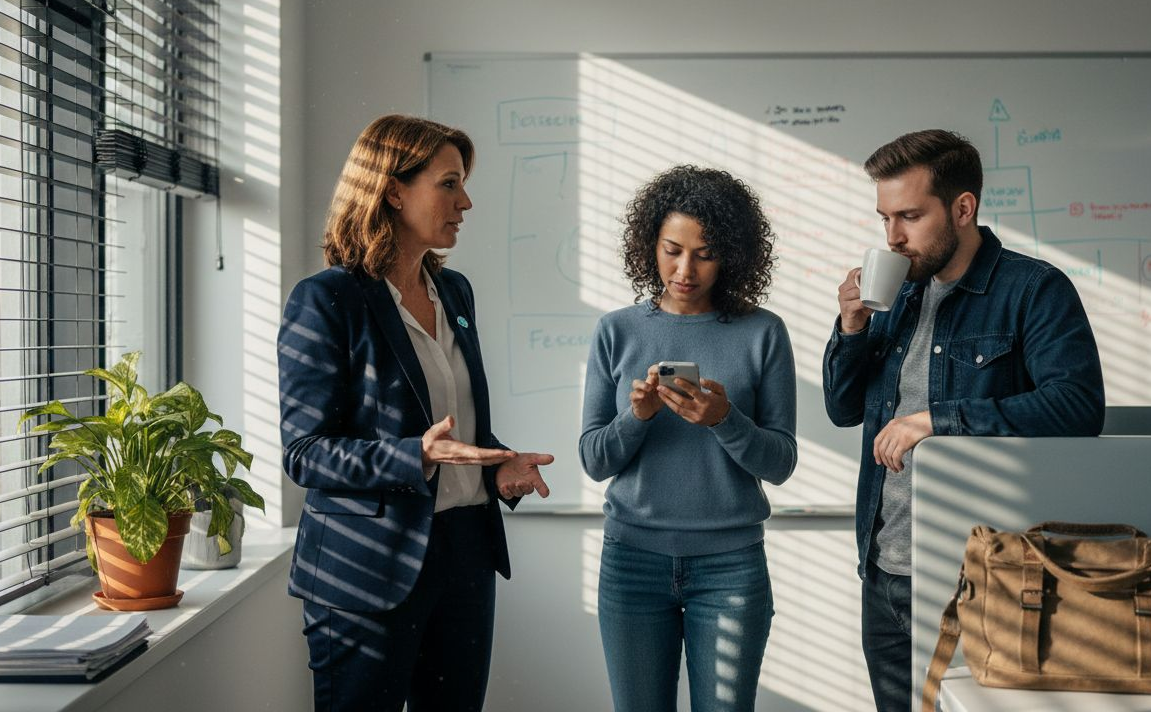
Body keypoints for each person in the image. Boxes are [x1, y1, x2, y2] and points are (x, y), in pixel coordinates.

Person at [278, 114, 555, 711]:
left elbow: (451, 422)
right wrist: (416, 456)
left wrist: (496, 464)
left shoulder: (454, 293)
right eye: (449, 183)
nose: (466, 201)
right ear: (393, 189)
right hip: (365, 569)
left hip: (464, 555)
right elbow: (304, 452)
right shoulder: (328, 300)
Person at [822, 129, 1105, 711]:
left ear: (963, 208)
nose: (893, 238)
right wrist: (850, 327)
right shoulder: (897, 293)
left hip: (985, 579)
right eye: (884, 219)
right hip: (885, 570)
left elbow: (1078, 407)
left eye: (909, 216)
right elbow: (843, 408)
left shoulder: (1034, 290)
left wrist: (939, 420)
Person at [579, 165, 798, 712]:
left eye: (705, 253)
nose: (685, 269)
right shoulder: (616, 330)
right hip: (632, 560)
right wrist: (638, 416)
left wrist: (725, 419)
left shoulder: (762, 332)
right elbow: (593, 459)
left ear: (732, 256)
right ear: (648, 243)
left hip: (731, 567)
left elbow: (781, 462)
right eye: (672, 249)